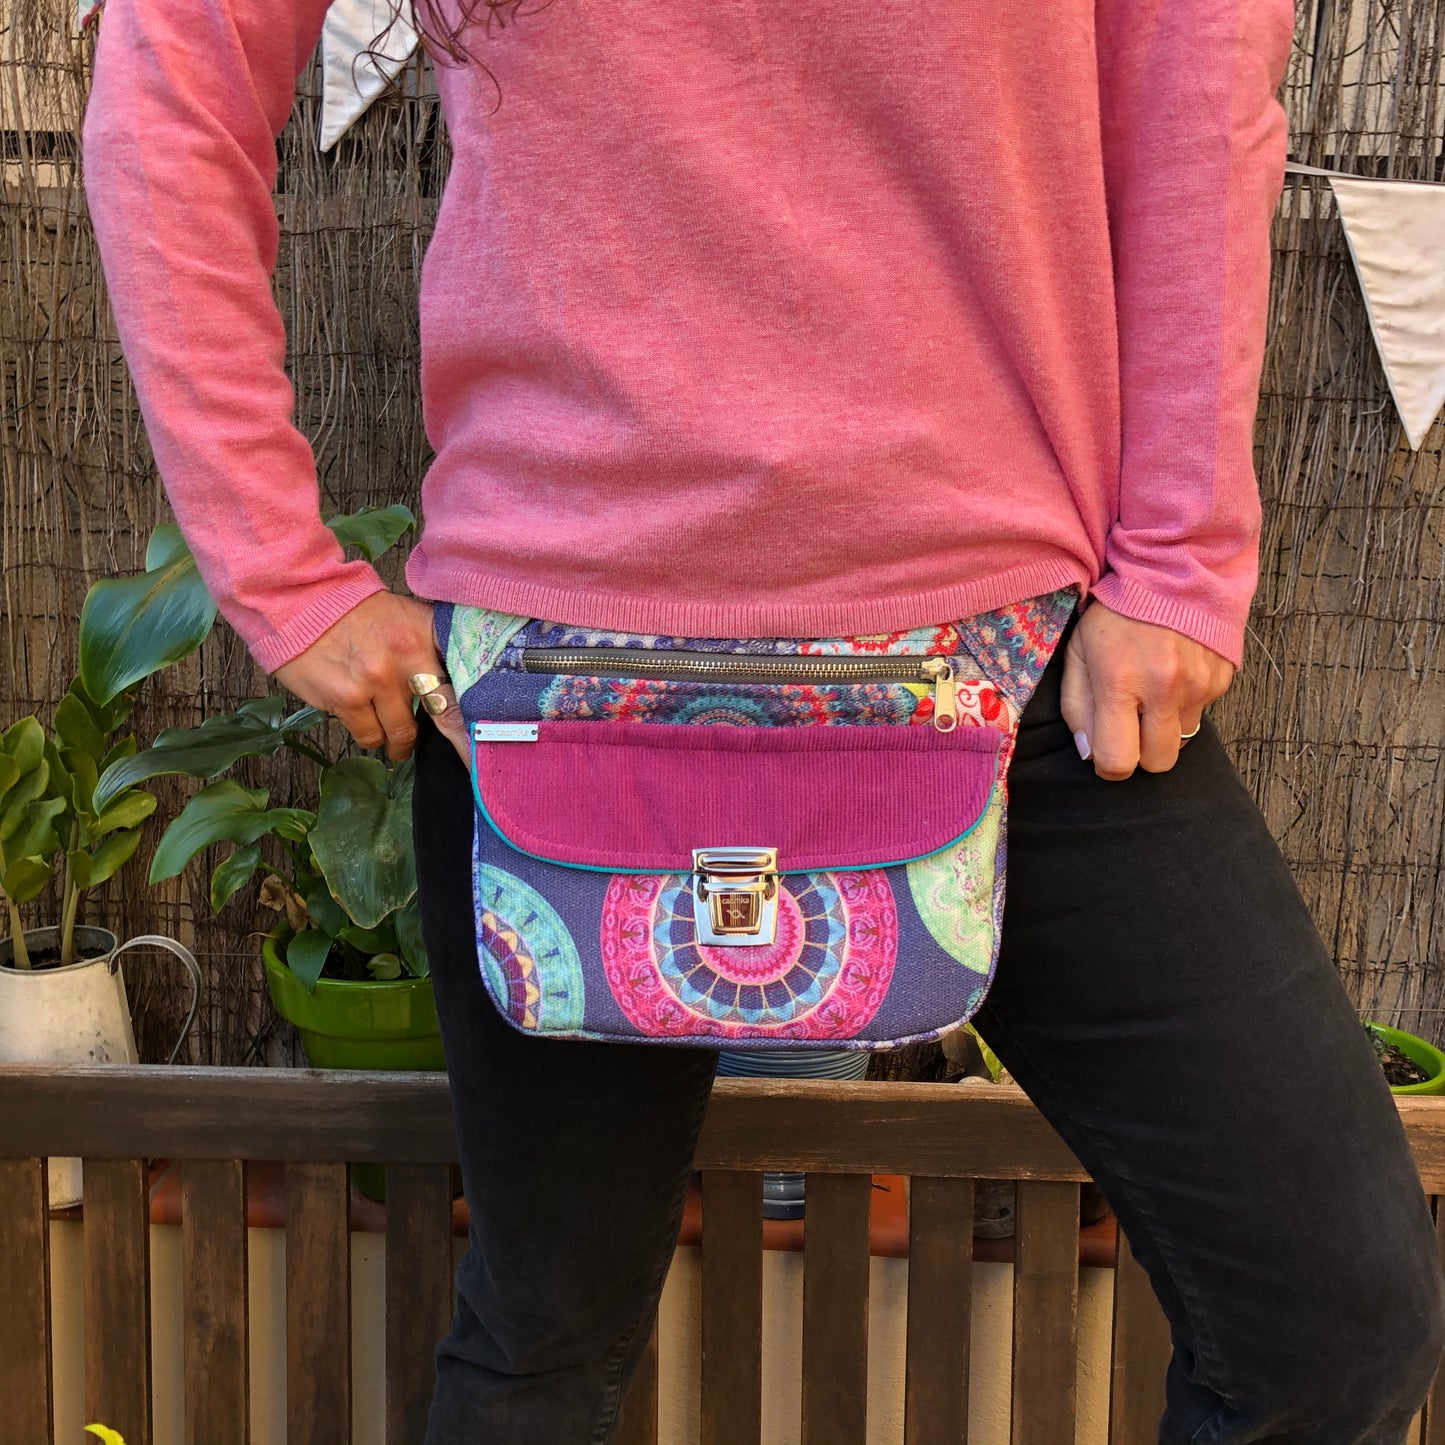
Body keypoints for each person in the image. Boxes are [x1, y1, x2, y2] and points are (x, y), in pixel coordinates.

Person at [81, 1, 1445, 1440]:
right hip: (565, 690)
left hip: (1010, 666)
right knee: (544, 1343)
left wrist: (1179, 553)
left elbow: (1197, 75)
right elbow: (173, 76)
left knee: (1332, 1321)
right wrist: (283, 577)